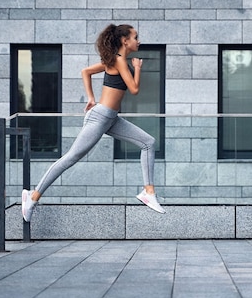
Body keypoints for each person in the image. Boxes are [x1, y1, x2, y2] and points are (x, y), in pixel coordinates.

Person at [21, 24, 166, 222]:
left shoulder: (114, 61)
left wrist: (91, 98)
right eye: (135, 37)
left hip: (111, 118)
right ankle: (33, 196)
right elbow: (134, 89)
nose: (138, 41)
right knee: (71, 158)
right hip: (100, 117)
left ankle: (148, 192)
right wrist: (138, 69)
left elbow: (86, 71)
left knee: (148, 142)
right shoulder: (120, 60)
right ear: (125, 41)